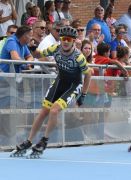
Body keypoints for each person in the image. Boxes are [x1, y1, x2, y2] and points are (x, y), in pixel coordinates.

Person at [11, 26, 92, 157]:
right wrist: (31, 47)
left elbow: (88, 74)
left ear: (73, 41)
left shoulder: (79, 57)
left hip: (73, 85)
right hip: (59, 82)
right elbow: (37, 55)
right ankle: (29, 141)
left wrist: (83, 94)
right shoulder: (56, 49)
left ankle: (44, 140)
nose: (65, 42)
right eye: (63, 39)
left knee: (54, 110)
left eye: (68, 39)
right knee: (43, 111)